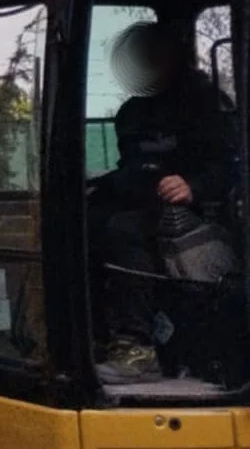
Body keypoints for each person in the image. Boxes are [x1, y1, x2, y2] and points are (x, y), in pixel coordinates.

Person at [97, 19, 236, 292]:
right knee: (85, 216)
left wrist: (192, 187)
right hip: (141, 200)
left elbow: (230, 164)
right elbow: (131, 164)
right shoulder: (130, 114)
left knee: (121, 228)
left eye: (154, 54)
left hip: (194, 209)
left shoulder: (207, 104)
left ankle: (138, 325)